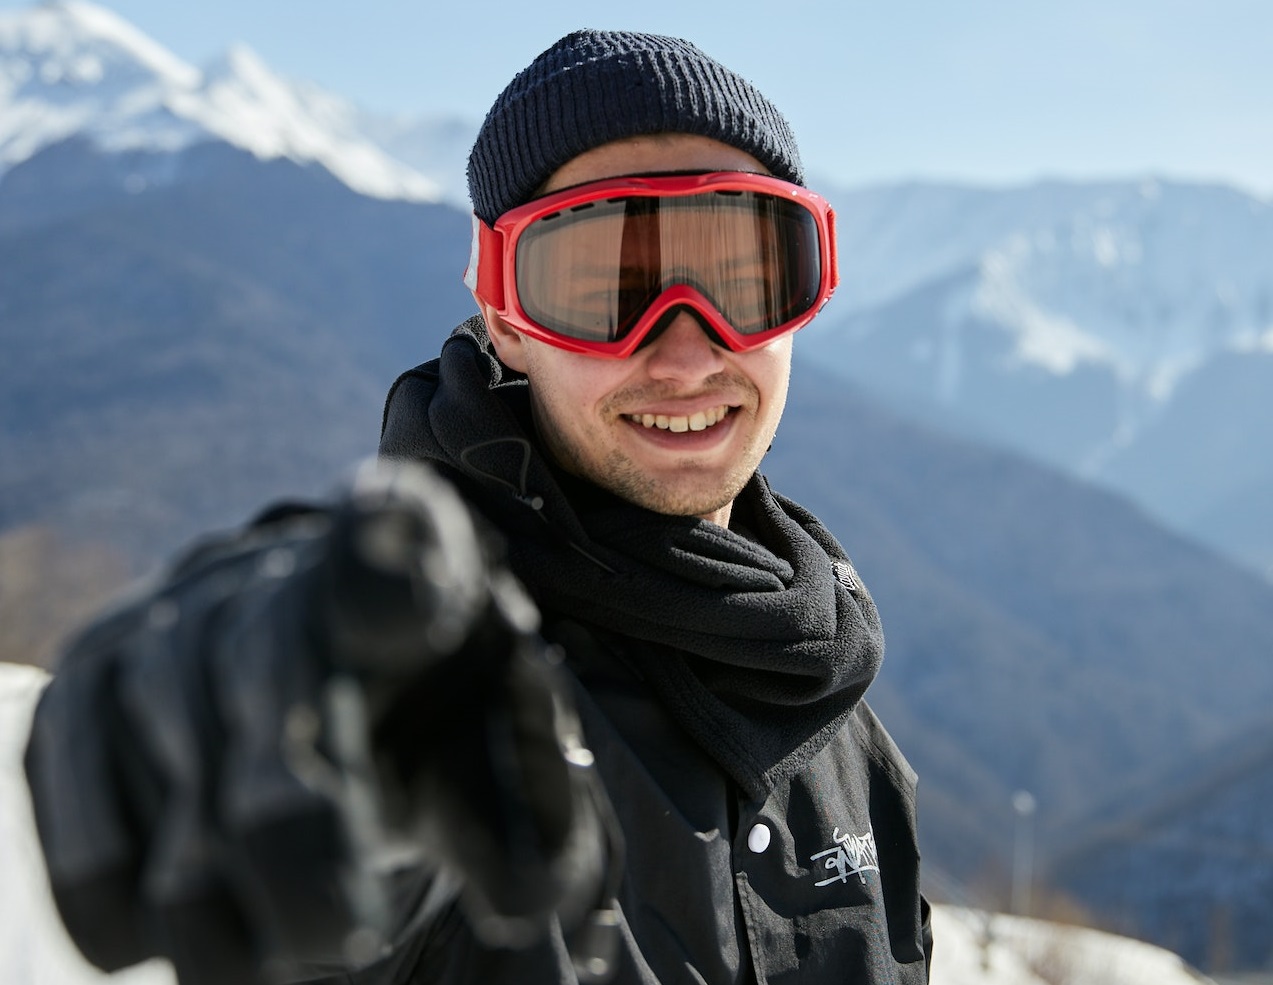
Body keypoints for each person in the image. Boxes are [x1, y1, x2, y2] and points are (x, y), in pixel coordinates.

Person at [24, 29, 932, 985]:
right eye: (602, 289)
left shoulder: (845, 734)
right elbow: (375, 839)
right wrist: (266, 686)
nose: (684, 353)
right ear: (505, 315)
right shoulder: (459, 700)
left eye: (742, 280)